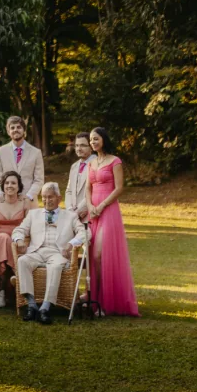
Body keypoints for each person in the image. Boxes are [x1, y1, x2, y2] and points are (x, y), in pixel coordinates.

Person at [11, 181, 85, 324]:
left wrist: (71, 244)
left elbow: (84, 233)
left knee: (55, 266)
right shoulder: (33, 214)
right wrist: (19, 240)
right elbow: (19, 230)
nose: (46, 200)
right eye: (44, 197)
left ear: (59, 198)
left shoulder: (70, 216)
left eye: (50, 197)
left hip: (58, 253)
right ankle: (32, 306)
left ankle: (45, 308)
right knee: (22, 261)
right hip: (37, 251)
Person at [86, 127, 139, 316]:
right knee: (93, 257)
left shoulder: (115, 161)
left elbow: (119, 188)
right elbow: (88, 188)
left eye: (96, 139)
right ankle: (94, 299)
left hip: (108, 211)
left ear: (104, 139)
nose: (93, 142)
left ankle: (104, 301)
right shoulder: (91, 163)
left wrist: (102, 205)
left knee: (100, 255)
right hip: (93, 212)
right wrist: (90, 206)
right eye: (91, 139)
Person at [0, 169, 31, 308]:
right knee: (3, 238)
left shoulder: (25, 202)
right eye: (7, 183)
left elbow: (30, 227)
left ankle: (4, 291)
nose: (10, 186)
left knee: (8, 241)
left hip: (18, 241)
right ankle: (2, 291)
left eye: (13, 183)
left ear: (19, 186)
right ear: (2, 185)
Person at [0, 116, 44, 202]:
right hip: (7, 201)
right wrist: (0, 194)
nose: (15, 130)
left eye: (19, 127)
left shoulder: (36, 152)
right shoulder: (0, 152)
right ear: (8, 132)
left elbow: (39, 180)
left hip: (29, 201)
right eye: (12, 128)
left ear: (24, 130)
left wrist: (28, 196)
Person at [65, 131, 92, 218]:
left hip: (88, 214)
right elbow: (69, 190)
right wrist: (69, 209)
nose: (79, 149)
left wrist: (78, 211)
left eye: (83, 145)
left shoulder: (96, 164)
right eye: (77, 145)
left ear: (91, 147)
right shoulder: (74, 166)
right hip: (73, 215)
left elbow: (94, 191)